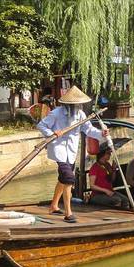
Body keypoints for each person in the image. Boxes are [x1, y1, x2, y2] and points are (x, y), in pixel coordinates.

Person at [37, 86, 108, 223]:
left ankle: (53, 205)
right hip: (59, 150)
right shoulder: (56, 113)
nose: (77, 106)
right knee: (69, 178)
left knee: (63, 179)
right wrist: (53, 133)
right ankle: (68, 212)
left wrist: (101, 134)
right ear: (68, 104)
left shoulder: (80, 115)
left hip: (71, 151)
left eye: (78, 104)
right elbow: (41, 125)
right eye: (75, 104)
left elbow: (89, 130)